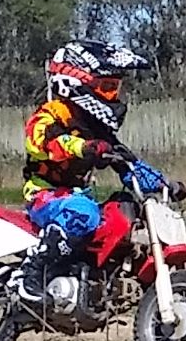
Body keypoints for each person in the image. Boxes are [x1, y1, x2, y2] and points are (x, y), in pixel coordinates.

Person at [18, 41, 154, 303]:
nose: (112, 96)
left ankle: (99, 278)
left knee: (124, 207)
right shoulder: (52, 114)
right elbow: (39, 142)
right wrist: (83, 147)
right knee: (83, 213)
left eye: (115, 88)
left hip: (78, 195)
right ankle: (32, 273)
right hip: (44, 194)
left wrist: (160, 183)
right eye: (106, 87)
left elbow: (126, 161)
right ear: (76, 83)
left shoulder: (94, 126)